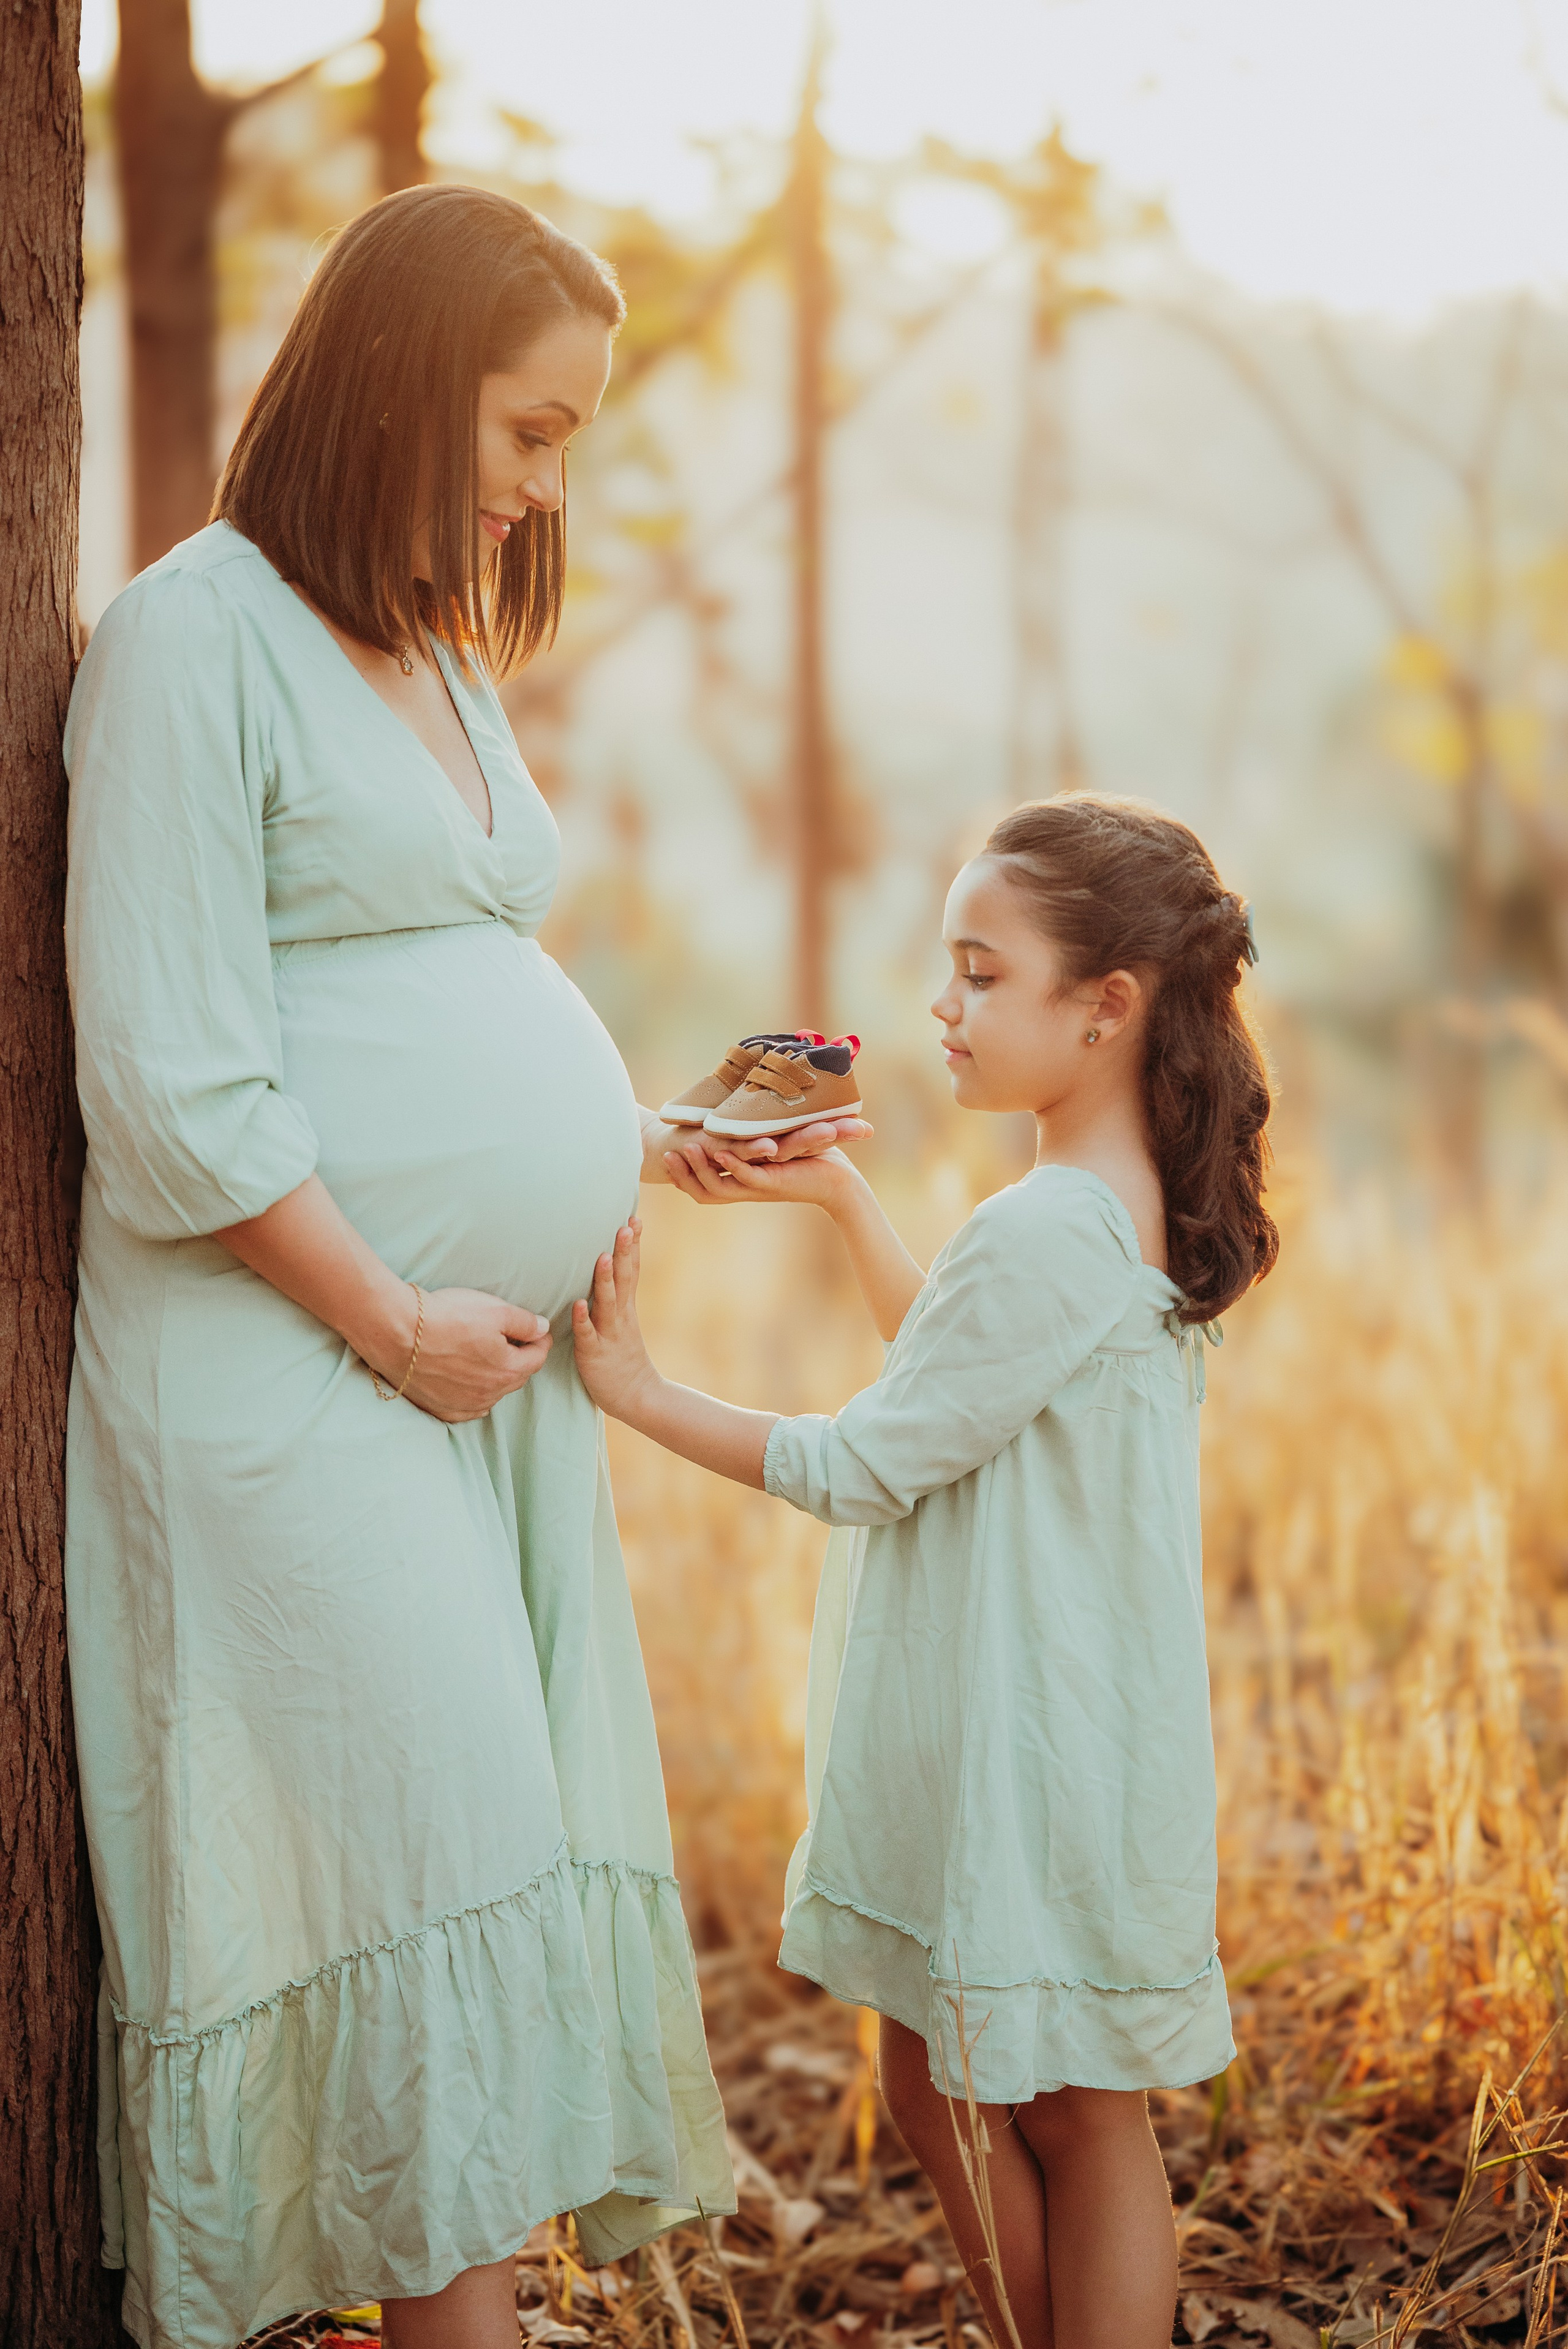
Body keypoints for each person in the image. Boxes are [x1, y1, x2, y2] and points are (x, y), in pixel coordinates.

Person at [64, 184, 864, 2349]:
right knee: (441, 1874)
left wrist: (643, 1138)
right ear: (404, 382)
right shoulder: (190, 639)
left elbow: (437, 983)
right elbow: (171, 1077)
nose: (548, 488)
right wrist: (393, 1313)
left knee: (478, 1884)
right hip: (299, 1361)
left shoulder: (431, 642)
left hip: (463, 1385)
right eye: (532, 429)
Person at [571, 793, 1279, 2349]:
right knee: (1062, 2100)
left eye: (979, 971)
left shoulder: (1050, 1227)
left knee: (1013, 2094)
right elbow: (966, 1378)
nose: (940, 1006)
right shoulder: (1110, 1208)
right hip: (1080, 1732)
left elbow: (869, 1459)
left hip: (1026, 1749)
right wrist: (838, 1195)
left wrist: (636, 1389)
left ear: (1104, 1006)